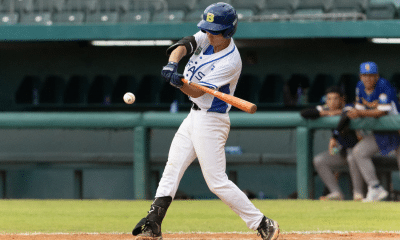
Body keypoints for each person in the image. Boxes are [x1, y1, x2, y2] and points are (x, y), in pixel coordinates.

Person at [131, 3, 280, 240]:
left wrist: (178, 83)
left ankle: (262, 223)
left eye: (214, 31)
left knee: (216, 182)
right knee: (172, 168)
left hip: (212, 120)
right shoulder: (208, 36)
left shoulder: (230, 61)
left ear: (228, 32)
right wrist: (172, 64)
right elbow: (182, 46)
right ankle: (153, 224)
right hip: (194, 116)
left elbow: (197, 93)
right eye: (207, 29)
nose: (208, 33)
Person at [347, 61, 400, 202]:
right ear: (360, 76)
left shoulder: (383, 85)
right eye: (365, 75)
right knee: (358, 152)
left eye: (371, 75)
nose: (367, 79)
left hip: (397, 129)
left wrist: (359, 112)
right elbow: (359, 109)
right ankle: (375, 187)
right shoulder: (359, 87)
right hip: (382, 131)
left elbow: (381, 112)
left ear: (376, 76)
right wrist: (358, 124)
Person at [301, 86, 364, 201]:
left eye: (335, 99)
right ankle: (336, 193)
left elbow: (345, 116)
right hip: (342, 150)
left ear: (342, 99)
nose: (332, 102)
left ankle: (358, 194)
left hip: (359, 151)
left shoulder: (349, 106)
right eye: (329, 99)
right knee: (319, 160)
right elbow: (304, 113)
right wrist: (327, 113)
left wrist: (333, 137)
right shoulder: (326, 108)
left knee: (351, 156)